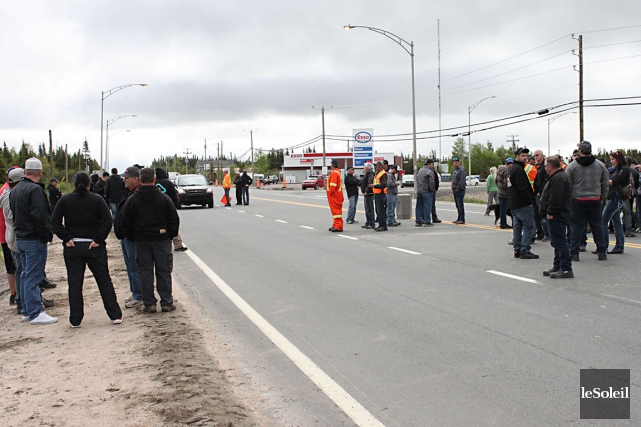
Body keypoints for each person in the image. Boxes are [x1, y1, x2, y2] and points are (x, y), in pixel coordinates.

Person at [51, 172, 123, 327]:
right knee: (104, 280)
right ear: (90, 183)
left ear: (75, 184)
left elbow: (55, 221)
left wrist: (66, 237)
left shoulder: (65, 200)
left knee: (75, 283)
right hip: (94, 246)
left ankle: (75, 319)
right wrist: (98, 238)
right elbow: (107, 220)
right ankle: (115, 314)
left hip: (73, 246)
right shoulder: (96, 199)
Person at [121, 168, 179, 313]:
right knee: (164, 270)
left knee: (145, 272)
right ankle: (166, 301)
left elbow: (125, 223)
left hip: (141, 241)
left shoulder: (132, 200)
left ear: (140, 180)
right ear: (154, 180)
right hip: (161, 239)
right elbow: (173, 220)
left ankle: (149, 303)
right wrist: (170, 235)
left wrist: (133, 237)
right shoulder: (164, 199)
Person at [9, 157, 57, 324]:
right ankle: (35, 312)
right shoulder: (35, 190)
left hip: (21, 237)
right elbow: (40, 216)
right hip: (33, 238)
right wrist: (45, 236)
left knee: (24, 274)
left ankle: (26, 309)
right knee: (33, 275)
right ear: (40, 172)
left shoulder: (15, 190)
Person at [565, 141, 609, 261]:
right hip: (594, 199)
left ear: (580, 151)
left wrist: (569, 199)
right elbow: (605, 183)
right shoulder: (600, 165)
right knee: (597, 226)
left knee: (576, 226)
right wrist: (602, 197)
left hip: (578, 199)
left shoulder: (572, 166)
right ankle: (601, 251)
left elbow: (567, 184)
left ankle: (574, 252)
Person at [114, 166, 144, 308]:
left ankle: (139, 296)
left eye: (127, 177)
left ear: (136, 179)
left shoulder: (137, 194)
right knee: (130, 266)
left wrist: (130, 234)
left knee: (134, 267)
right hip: (125, 237)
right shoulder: (128, 192)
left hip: (132, 238)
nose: (124, 180)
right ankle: (135, 293)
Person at [539, 156, 573, 278]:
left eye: (546, 166)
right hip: (558, 214)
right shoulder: (557, 177)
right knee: (556, 242)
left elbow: (556, 198)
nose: (545, 168)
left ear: (550, 166)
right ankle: (557, 265)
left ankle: (566, 268)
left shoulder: (559, 178)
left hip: (558, 215)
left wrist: (550, 212)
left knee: (560, 241)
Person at [508, 148, 538, 259]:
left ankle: (517, 249)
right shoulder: (519, 169)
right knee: (528, 226)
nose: (525, 157)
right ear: (517, 156)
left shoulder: (511, 169)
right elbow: (523, 188)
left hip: (514, 203)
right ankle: (525, 249)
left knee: (517, 226)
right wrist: (529, 201)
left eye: (526, 155)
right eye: (522, 155)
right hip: (522, 203)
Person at [601, 150, 630, 255]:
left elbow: (615, 181)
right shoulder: (618, 170)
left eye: (613, 159)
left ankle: (603, 246)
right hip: (613, 197)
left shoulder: (624, 170)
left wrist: (602, 180)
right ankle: (619, 245)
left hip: (615, 197)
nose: (611, 161)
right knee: (617, 223)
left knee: (603, 221)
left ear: (618, 159)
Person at [1, 167, 20, 310]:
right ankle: (15, 295)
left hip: (7, 234)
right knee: (13, 267)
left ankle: (18, 294)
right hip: (7, 235)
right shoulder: (7, 192)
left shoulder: (8, 190)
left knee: (16, 267)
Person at [155, 168, 188, 252]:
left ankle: (161, 243)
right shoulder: (168, 184)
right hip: (168, 208)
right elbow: (174, 196)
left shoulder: (153, 183)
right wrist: (175, 206)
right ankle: (177, 244)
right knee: (172, 225)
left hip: (155, 209)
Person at [533, 150, 549, 241]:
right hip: (534, 193)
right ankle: (539, 232)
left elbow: (546, 180)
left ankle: (546, 233)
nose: (536, 157)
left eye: (537, 155)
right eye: (534, 155)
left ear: (542, 156)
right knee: (536, 214)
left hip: (542, 193)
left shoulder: (545, 166)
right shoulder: (535, 167)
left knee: (542, 213)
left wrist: (541, 191)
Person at [415, 159, 436, 227]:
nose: (433, 166)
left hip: (419, 191)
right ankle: (427, 221)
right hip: (426, 191)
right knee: (427, 206)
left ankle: (418, 220)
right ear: (428, 164)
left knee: (419, 206)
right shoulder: (429, 171)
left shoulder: (420, 170)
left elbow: (417, 180)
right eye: (432, 164)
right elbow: (431, 182)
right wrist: (432, 190)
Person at [369, 161, 388, 231]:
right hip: (377, 194)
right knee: (378, 210)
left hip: (381, 194)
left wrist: (374, 186)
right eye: (375, 166)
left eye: (377, 166)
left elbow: (384, 184)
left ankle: (383, 226)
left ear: (380, 166)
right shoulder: (378, 173)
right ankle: (380, 225)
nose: (376, 167)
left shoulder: (383, 174)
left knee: (381, 211)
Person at [326, 159, 344, 232]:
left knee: (336, 212)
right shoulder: (338, 172)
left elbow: (333, 185)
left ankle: (338, 226)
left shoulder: (334, 173)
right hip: (337, 195)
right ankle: (335, 224)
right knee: (335, 212)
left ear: (332, 165)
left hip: (334, 195)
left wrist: (330, 193)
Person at [622, 156, 638, 237]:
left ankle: (619, 228)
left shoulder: (620, 169)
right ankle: (628, 228)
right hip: (631, 194)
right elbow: (637, 183)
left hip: (621, 193)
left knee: (619, 211)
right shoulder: (634, 171)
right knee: (629, 211)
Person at [496, 158, 512, 229]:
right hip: (505, 193)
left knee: (502, 209)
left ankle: (502, 222)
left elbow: (496, 181)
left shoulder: (499, 171)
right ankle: (503, 223)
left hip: (500, 192)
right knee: (504, 209)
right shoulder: (506, 171)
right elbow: (506, 183)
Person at [451, 157, 466, 224]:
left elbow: (462, 180)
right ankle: (459, 217)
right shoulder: (455, 171)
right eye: (454, 162)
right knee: (457, 205)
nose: (455, 164)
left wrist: (458, 188)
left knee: (460, 205)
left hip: (459, 190)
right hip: (455, 190)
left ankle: (462, 219)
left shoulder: (461, 170)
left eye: (456, 162)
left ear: (459, 163)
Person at [360, 163, 375, 229]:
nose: (364, 168)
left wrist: (367, 191)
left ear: (367, 168)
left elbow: (370, 183)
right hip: (367, 193)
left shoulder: (371, 174)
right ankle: (368, 222)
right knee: (367, 209)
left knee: (369, 209)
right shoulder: (367, 174)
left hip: (369, 194)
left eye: (364, 167)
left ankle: (372, 223)